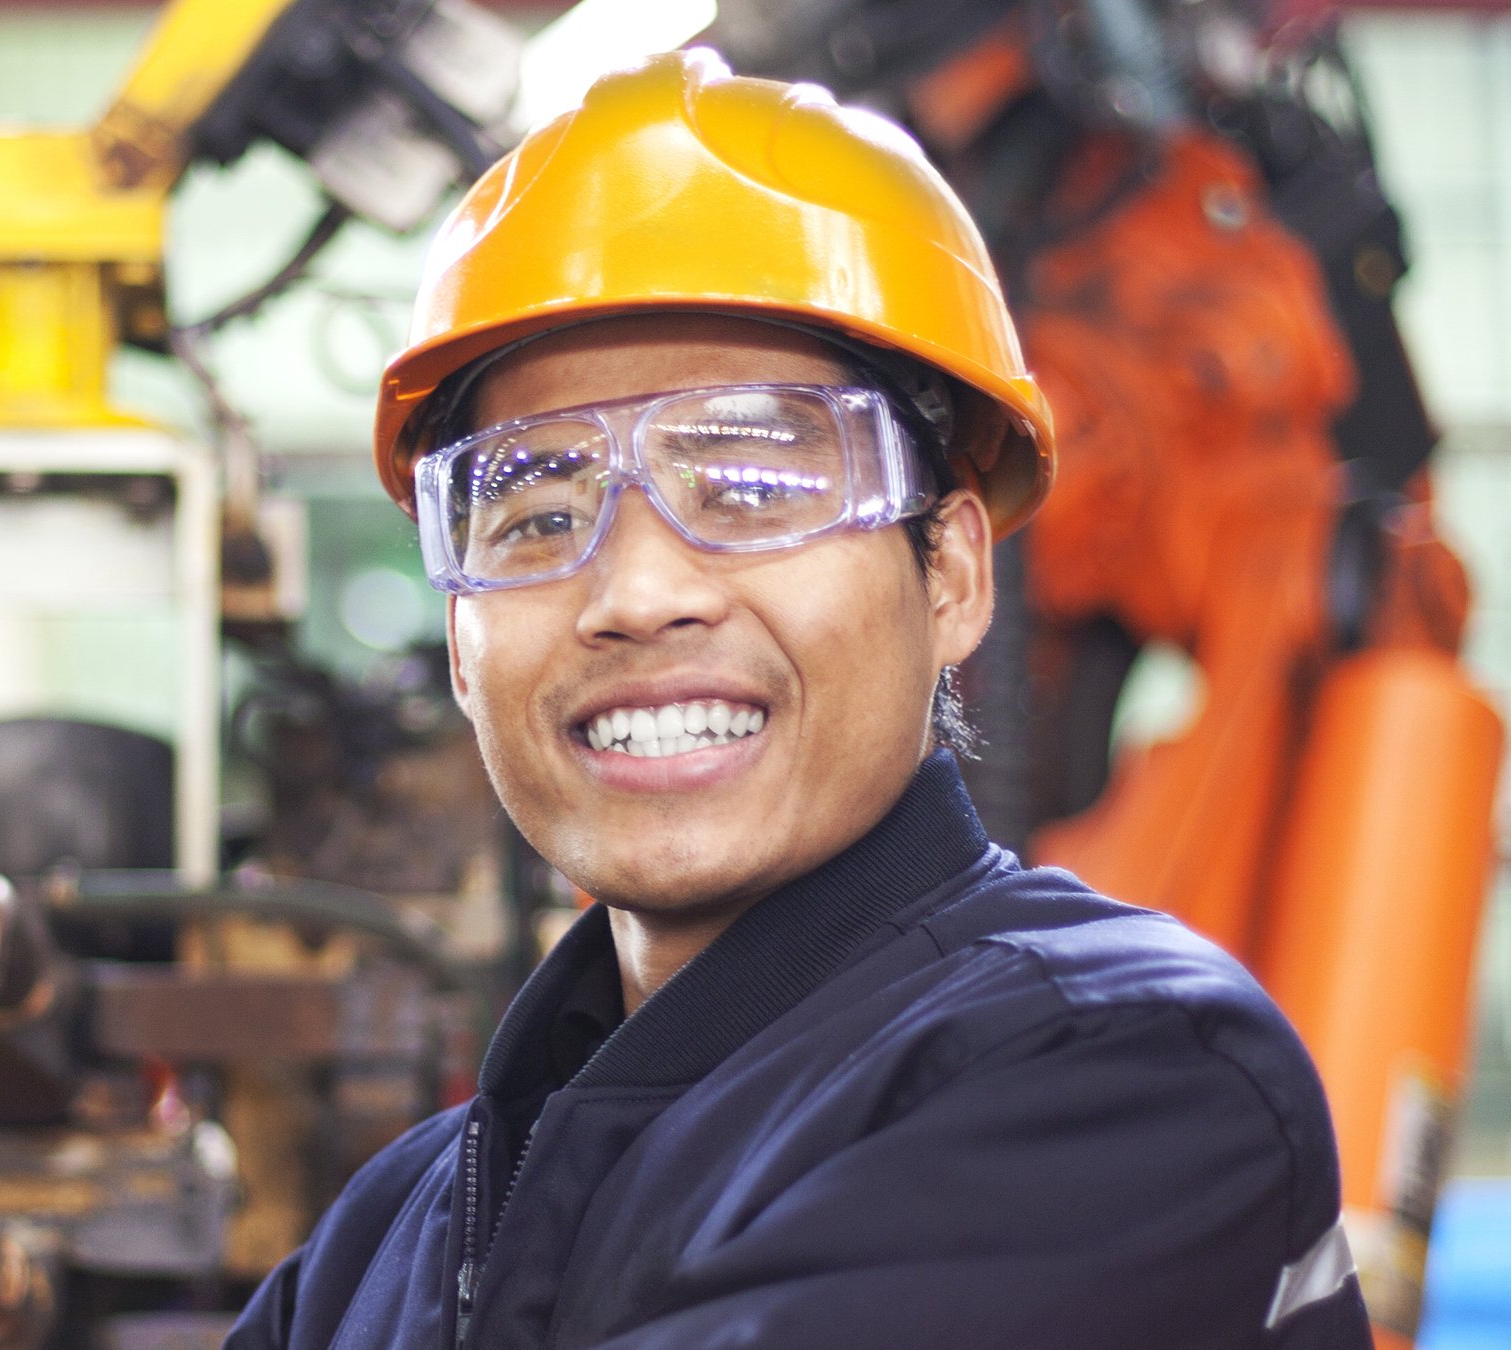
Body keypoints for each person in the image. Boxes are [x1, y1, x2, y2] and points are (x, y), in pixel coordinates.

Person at [223, 50, 1370, 1350]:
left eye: (753, 487)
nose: (640, 590)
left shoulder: (1125, 1080)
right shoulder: (395, 1236)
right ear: (457, 634)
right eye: (541, 512)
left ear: (947, 571)